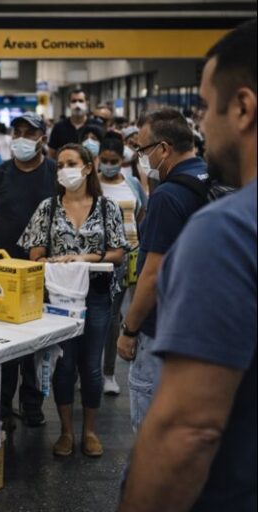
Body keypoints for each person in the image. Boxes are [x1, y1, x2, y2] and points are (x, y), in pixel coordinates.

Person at [119, 20, 256, 511]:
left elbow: (187, 429)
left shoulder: (228, 232)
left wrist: (129, 328)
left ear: (242, 108)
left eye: (204, 106)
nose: (201, 125)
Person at [19, 143, 127, 457]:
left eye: (71, 163)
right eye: (60, 165)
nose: (65, 169)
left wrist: (84, 258)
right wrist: (52, 261)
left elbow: (119, 252)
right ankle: (66, 432)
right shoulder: (48, 208)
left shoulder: (107, 207)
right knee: (64, 366)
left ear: (88, 168)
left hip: (96, 295)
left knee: (91, 366)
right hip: (60, 298)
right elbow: (35, 253)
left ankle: (89, 431)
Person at [116, 108, 209, 433]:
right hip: (202, 324)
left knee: (153, 428)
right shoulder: (211, 179)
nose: (141, 157)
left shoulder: (167, 196)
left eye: (143, 149)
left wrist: (129, 330)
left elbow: (153, 274)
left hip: (162, 329)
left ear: (164, 149)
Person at [0, 112, 57, 430]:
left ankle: (32, 402)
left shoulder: (54, 172)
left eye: (30, 132)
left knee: (37, 343)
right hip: (4, 271)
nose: (22, 138)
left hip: (43, 271)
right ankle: (2, 405)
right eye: (18, 132)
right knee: (5, 340)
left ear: (42, 138)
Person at [96, 132, 147, 395]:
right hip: (100, 257)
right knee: (96, 315)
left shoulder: (132, 184)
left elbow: (141, 213)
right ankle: (88, 369)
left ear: (121, 159)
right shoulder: (92, 185)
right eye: (104, 160)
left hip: (128, 257)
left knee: (115, 316)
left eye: (113, 160)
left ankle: (108, 373)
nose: (109, 165)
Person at [48, 89, 91, 157]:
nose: (77, 104)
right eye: (74, 101)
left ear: (87, 103)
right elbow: (52, 153)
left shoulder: (95, 125)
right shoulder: (59, 127)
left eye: (81, 101)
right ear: (69, 104)